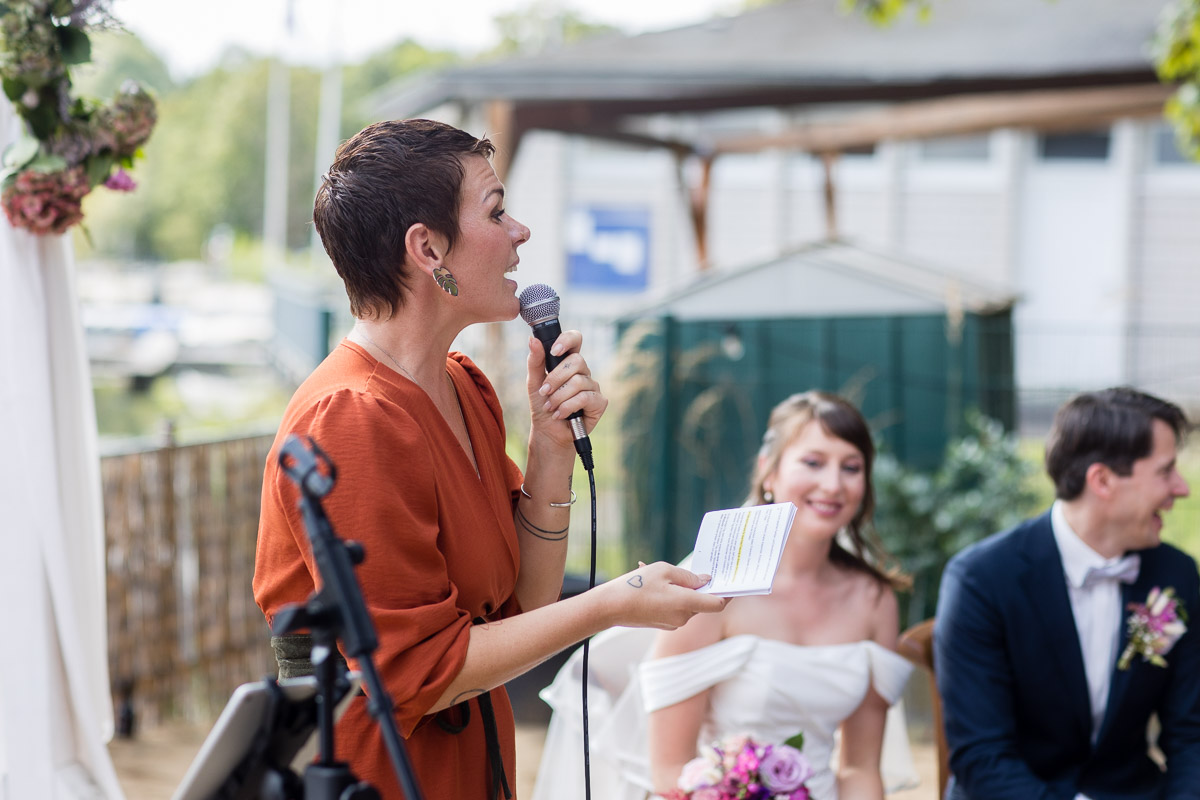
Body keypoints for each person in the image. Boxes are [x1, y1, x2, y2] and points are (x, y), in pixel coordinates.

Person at [252, 118, 727, 800]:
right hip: (376, 777)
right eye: (497, 211)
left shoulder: (465, 385)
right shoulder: (351, 417)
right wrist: (612, 603)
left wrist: (551, 448)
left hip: (479, 765)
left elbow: (521, 604)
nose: (520, 232)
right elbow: (418, 673)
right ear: (428, 249)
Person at [533, 390, 917, 800]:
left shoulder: (875, 601)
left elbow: (860, 768)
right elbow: (670, 773)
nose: (833, 484)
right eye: (813, 462)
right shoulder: (712, 584)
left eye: (852, 467)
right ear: (769, 471)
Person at [935, 387, 1200, 800]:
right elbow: (982, 757)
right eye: (1165, 472)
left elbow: (1192, 735)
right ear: (1103, 480)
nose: (1181, 488)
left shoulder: (1175, 574)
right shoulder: (981, 580)